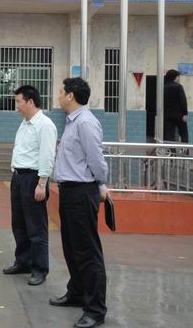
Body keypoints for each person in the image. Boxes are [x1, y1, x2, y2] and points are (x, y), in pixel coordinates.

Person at [49, 78, 108, 328]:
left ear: (71, 95)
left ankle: (95, 309)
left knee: (86, 252)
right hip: (69, 192)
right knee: (72, 248)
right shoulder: (72, 121)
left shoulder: (85, 123)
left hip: (82, 192)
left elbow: (96, 160)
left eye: (61, 92)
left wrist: (101, 184)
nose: (58, 96)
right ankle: (77, 293)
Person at [3, 85, 57, 286]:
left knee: (36, 227)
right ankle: (23, 262)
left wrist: (42, 183)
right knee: (19, 224)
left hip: (33, 179)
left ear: (30, 102)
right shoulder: (25, 123)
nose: (16, 106)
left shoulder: (45, 125)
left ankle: (40, 268)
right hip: (18, 177)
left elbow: (47, 155)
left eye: (19, 101)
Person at [164, 69, 189, 143]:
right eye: (178, 77)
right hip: (179, 115)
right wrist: (185, 113)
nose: (178, 79)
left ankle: (172, 150)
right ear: (174, 77)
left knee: (169, 135)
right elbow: (183, 101)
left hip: (167, 115)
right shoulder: (178, 87)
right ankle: (184, 149)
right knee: (184, 134)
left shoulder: (163, 87)